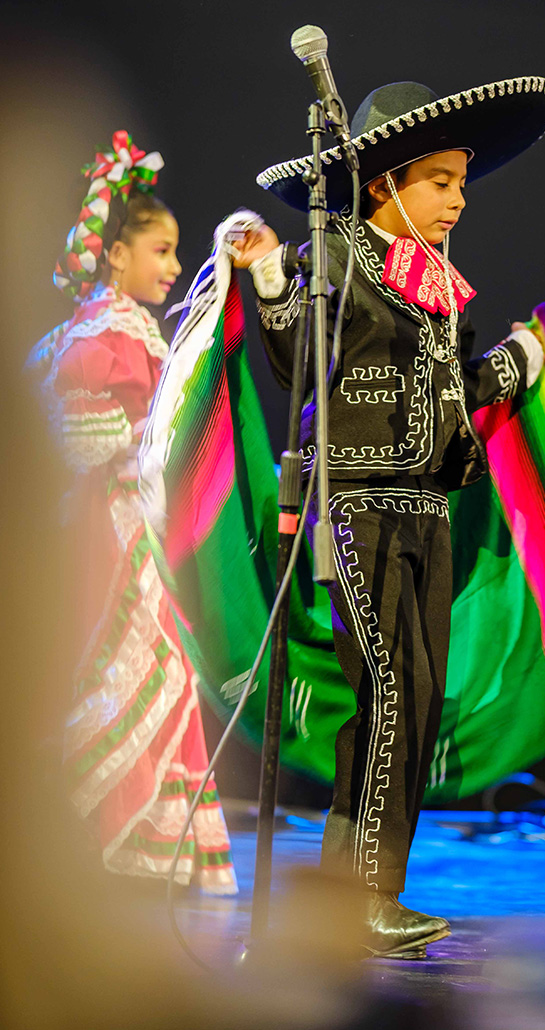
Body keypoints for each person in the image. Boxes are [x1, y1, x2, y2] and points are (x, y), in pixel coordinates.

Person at [231, 77, 545, 957]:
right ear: (385, 183)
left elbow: (453, 392)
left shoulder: (438, 284)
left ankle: (373, 892)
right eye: (440, 182)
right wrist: (269, 273)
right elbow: (296, 357)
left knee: (417, 698)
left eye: (461, 184)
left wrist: (518, 361)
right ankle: (361, 896)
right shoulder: (333, 253)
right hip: (360, 502)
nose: (458, 200)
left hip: (427, 507)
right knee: (391, 688)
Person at [27, 132, 237, 893]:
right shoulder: (113, 333)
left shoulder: (82, 330)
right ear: (116, 254)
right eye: (162, 250)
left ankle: (117, 845)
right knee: (143, 665)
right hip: (114, 530)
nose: (173, 266)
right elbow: (122, 438)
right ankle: (113, 844)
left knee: (128, 668)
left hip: (97, 525)